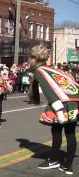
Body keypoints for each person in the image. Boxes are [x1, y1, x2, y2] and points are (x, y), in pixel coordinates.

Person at [31, 44, 78, 175]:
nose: (30, 60)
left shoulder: (40, 70)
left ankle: (53, 160)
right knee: (70, 134)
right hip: (74, 103)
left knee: (56, 131)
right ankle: (68, 165)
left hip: (61, 105)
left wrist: (59, 110)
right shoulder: (53, 69)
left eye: (31, 57)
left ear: (36, 58)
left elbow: (49, 91)